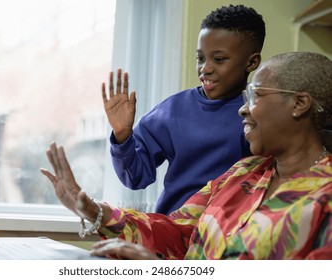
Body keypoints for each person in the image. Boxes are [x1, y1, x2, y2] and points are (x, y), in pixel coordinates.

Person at [41, 51, 332, 260]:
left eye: (255, 96)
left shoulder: (325, 195)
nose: (243, 109)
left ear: (299, 104)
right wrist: (93, 211)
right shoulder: (243, 173)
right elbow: (178, 232)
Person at [101, 5, 266, 214]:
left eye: (219, 59)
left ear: (251, 62)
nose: (205, 68)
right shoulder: (172, 111)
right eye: (200, 58)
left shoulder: (260, 113)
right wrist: (123, 136)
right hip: (172, 233)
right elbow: (135, 177)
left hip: (229, 234)